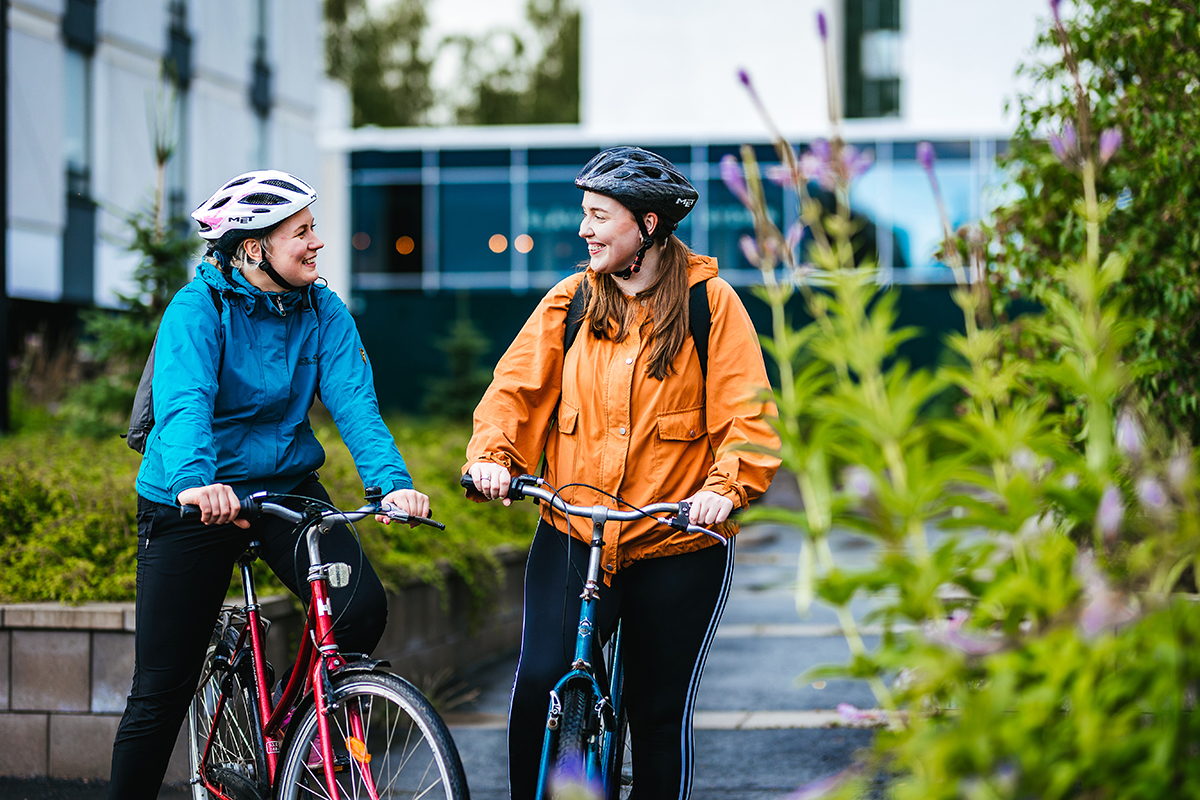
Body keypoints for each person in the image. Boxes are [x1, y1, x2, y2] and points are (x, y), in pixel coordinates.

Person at [463, 147, 781, 799]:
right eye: (585, 214)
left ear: (649, 225)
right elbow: (515, 392)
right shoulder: (572, 299)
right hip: (576, 530)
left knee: (657, 717)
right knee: (539, 685)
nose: (584, 229)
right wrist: (493, 458)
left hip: (674, 540)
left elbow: (747, 418)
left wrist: (725, 490)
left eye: (599, 216)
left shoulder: (710, 306)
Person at [109, 170, 428, 799]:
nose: (317, 243)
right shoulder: (197, 309)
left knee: (360, 610)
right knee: (162, 688)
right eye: (301, 232)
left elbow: (356, 406)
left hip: (285, 486)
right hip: (192, 496)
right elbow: (185, 406)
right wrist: (200, 484)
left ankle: (307, 743)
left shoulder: (322, 309)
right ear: (254, 248)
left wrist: (390, 485)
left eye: (314, 228)